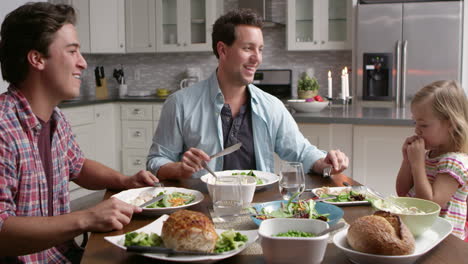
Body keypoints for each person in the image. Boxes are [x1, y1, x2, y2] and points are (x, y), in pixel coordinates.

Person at [0, 3, 158, 263]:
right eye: (72, 51)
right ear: (37, 59)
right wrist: (86, 218)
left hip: (65, 255)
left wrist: (125, 181)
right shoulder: (4, 128)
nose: (83, 63)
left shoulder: (57, 119)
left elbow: (77, 166)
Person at [147, 9, 349, 180]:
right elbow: (156, 161)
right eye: (248, 48)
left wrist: (325, 163)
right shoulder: (180, 104)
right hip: (202, 211)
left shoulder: (271, 105)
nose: (257, 58)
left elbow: (302, 151)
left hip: (259, 210)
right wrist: (180, 169)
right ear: (222, 50)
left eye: (260, 49)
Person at [395, 80, 468, 240]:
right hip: (423, 235)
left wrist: (417, 164)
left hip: (444, 242)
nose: (416, 130)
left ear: (451, 124)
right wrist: (407, 161)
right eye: (415, 123)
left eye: (424, 125)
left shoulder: (454, 162)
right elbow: (402, 193)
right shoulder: (430, 155)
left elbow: (431, 205)